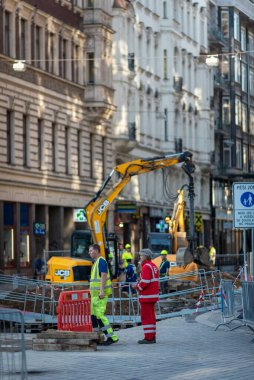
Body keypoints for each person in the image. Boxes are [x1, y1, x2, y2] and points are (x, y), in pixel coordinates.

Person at [89, 244, 119, 345]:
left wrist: (101, 290)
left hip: (99, 295)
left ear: (97, 251)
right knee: (94, 316)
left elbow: (104, 275)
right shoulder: (96, 262)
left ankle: (112, 337)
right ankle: (97, 337)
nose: (89, 253)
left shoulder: (101, 261)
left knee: (100, 316)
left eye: (91, 251)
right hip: (95, 295)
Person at [136, 248, 159, 344]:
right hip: (152, 295)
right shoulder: (153, 265)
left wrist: (137, 286)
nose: (140, 257)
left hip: (146, 296)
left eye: (141, 256)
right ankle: (152, 336)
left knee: (146, 317)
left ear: (146, 256)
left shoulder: (146, 267)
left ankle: (148, 338)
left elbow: (145, 282)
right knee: (151, 317)